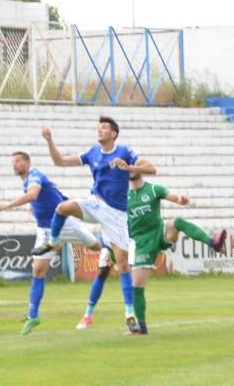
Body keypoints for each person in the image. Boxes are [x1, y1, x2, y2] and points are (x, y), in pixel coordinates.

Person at [39, 116, 156, 333]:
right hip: (95, 203)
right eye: (98, 127)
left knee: (122, 264)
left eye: (104, 128)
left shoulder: (124, 151)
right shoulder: (92, 153)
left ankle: (129, 312)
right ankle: (54, 243)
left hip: (116, 214)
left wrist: (128, 167)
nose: (99, 130)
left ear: (113, 134)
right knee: (62, 208)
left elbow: (152, 169)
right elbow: (60, 162)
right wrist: (49, 141)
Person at [0, 151, 110, 335]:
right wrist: (36, 208)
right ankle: (33, 315)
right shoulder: (28, 181)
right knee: (38, 270)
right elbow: (51, 196)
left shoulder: (35, 176)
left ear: (27, 162)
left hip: (64, 224)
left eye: (18, 161)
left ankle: (112, 246)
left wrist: (7, 206)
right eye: (12, 162)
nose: (14, 164)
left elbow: (33, 194)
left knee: (97, 247)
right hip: (45, 230)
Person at [121, 172, 227, 334]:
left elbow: (174, 197)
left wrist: (181, 200)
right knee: (137, 286)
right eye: (129, 167)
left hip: (160, 233)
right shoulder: (124, 196)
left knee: (177, 222)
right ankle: (141, 327)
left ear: (141, 169)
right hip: (142, 244)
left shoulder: (154, 189)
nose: (131, 169)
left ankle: (213, 243)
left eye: (134, 165)